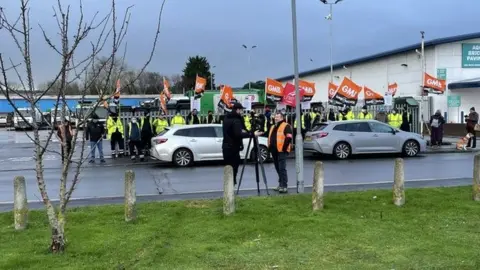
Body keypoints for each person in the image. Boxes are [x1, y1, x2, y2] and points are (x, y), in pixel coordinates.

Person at [222, 103, 262, 186]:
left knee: (228, 168)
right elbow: (238, 134)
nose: (242, 112)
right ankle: (231, 187)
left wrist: (244, 131)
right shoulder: (236, 120)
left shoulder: (227, 118)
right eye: (241, 110)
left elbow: (236, 132)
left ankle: (229, 187)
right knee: (234, 168)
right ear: (238, 110)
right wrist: (252, 134)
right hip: (233, 147)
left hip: (226, 146)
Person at [268, 111, 293, 193]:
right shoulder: (273, 126)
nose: (276, 118)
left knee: (282, 168)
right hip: (274, 150)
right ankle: (281, 184)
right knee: (278, 168)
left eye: (278, 117)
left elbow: (289, 137)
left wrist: (284, 148)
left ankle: (284, 186)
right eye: (275, 116)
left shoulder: (286, 126)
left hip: (281, 151)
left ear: (282, 118)